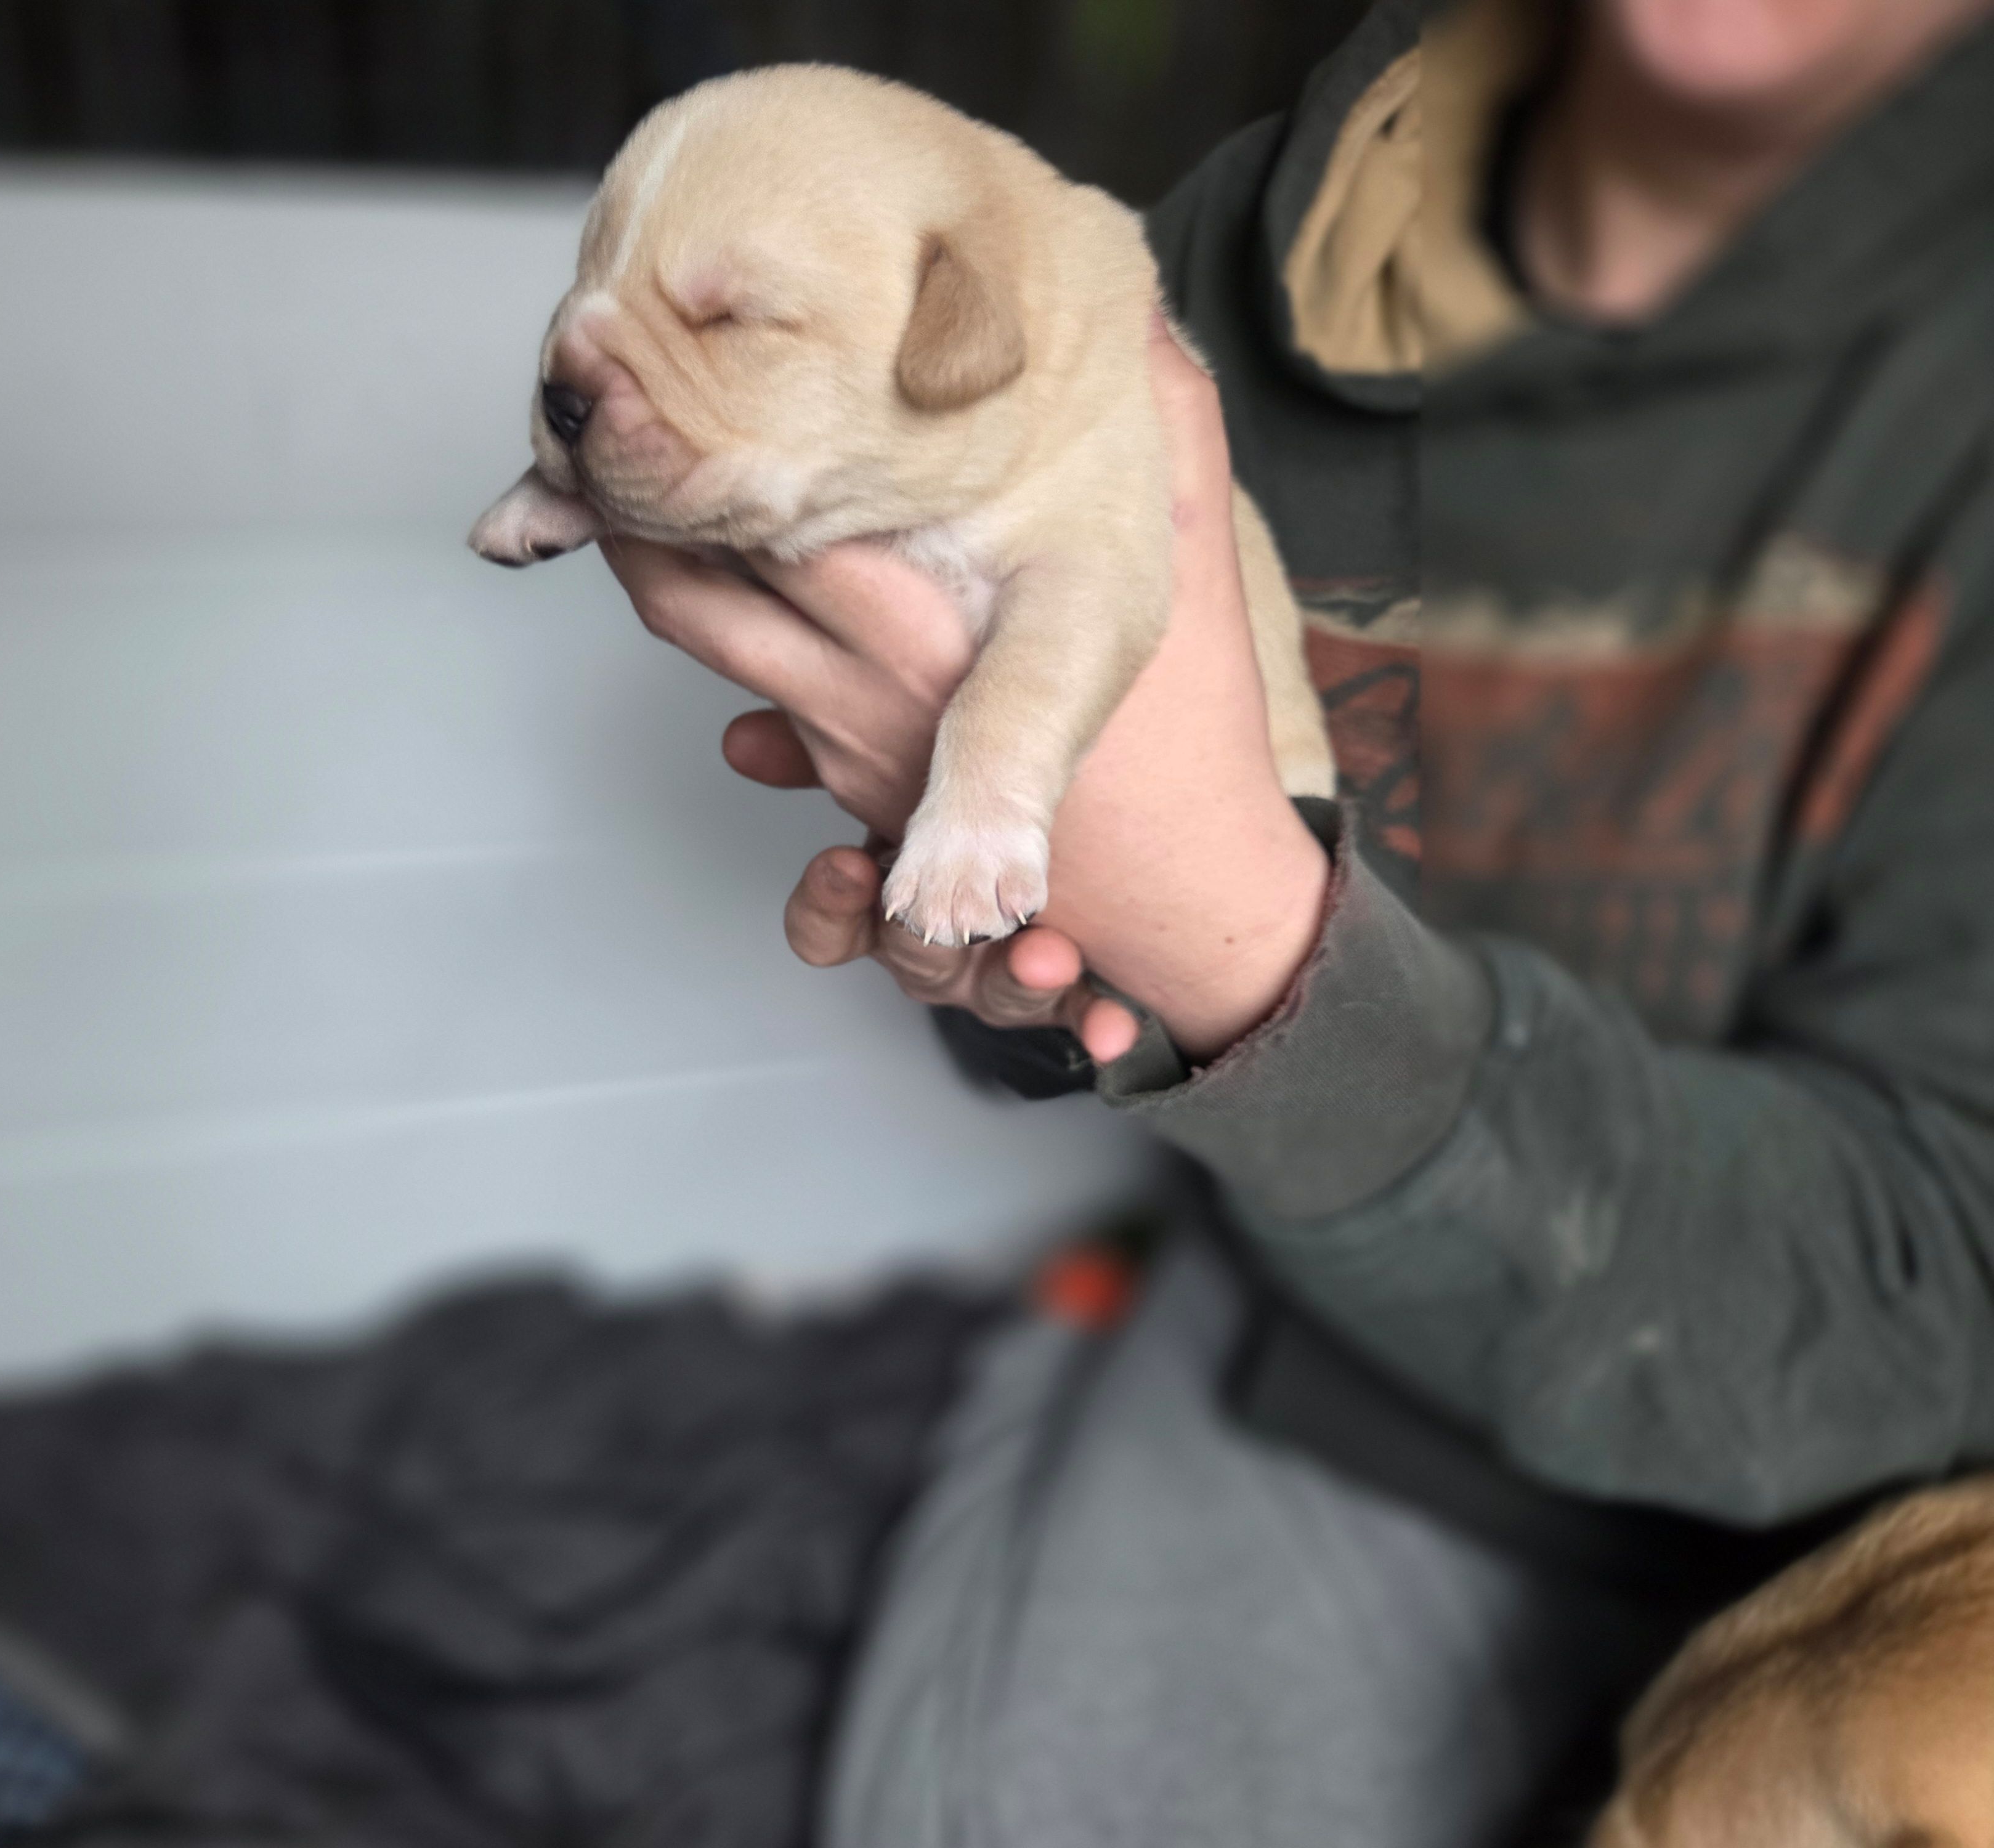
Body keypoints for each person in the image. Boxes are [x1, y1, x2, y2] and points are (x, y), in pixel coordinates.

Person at [601, 0, 1994, 1839]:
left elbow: (1939, 1275)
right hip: (1337, 1365)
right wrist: (1033, 933)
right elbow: (1043, 998)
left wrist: (1244, 940)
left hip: (1906, 1469)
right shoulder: (1176, 272)